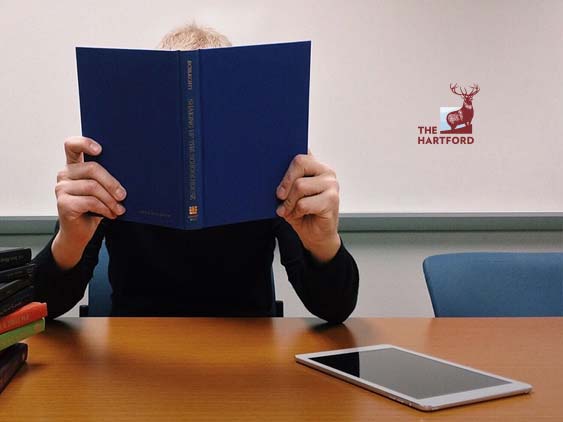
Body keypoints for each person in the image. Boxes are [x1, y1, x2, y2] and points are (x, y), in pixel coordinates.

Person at [32, 23, 359, 324]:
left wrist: (323, 243)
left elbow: (335, 308)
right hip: (136, 354)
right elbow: (42, 306)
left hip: (247, 354)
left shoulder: (270, 167)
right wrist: (70, 241)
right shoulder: (112, 164)